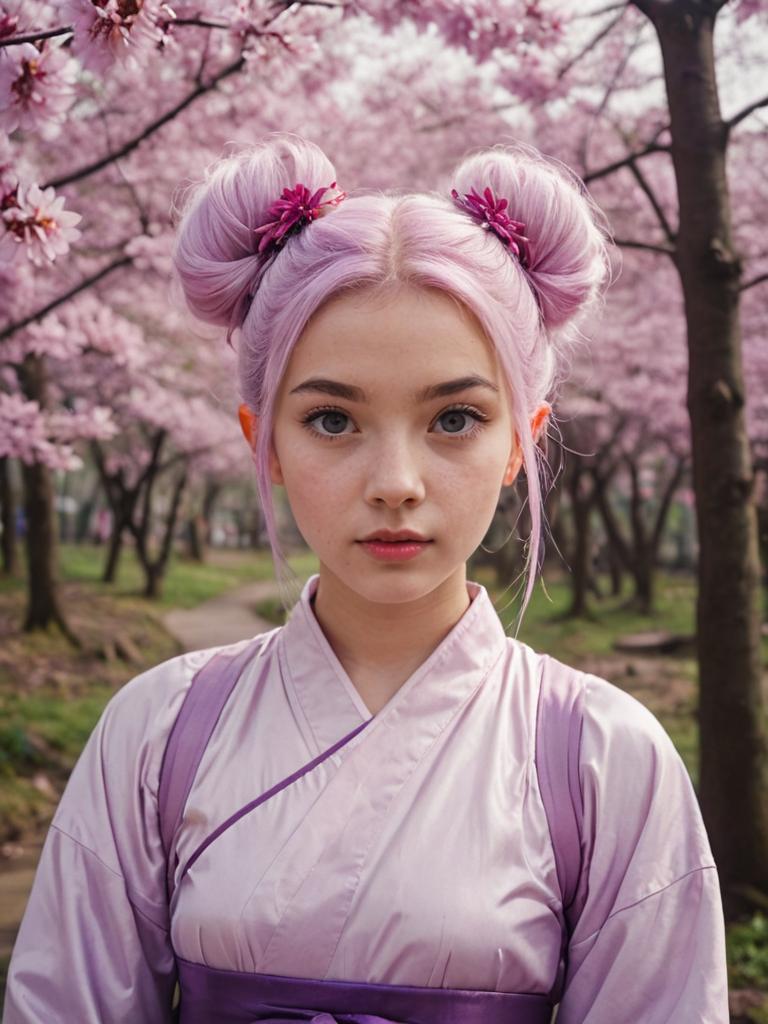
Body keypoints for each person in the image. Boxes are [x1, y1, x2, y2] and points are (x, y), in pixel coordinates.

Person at [3, 134, 729, 1023]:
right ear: (261, 439)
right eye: (333, 420)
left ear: (521, 442)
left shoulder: (603, 760)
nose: (395, 481)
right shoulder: (157, 735)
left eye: (455, 417)